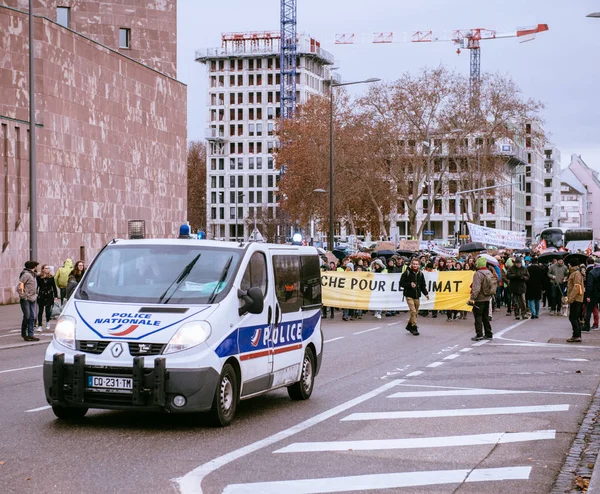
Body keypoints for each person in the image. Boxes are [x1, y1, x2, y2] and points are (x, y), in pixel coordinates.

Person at [400, 257, 429, 335]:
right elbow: (401, 283)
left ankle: (409, 325)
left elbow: (423, 285)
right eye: (414, 264)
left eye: (417, 264)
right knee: (413, 311)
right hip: (409, 295)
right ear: (411, 264)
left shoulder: (420, 274)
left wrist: (426, 293)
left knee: (415, 312)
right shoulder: (407, 273)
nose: (415, 265)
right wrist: (410, 284)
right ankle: (414, 327)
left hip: (417, 295)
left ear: (419, 265)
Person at [469, 257, 494, 341]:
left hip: (480, 299)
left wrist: (472, 298)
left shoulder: (478, 274)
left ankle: (479, 334)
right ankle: (488, 333)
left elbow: (476, 288)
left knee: (478, 316)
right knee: (485, 316)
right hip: (487, 297)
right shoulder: (489, 272)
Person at [18, 261, 40, 342]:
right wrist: (23, 296)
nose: (37, 268)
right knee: (27, 316)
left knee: (32, 317)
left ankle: (31, 334)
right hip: (26, 299)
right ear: (33, 267)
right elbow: (20, 286)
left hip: (33, 298)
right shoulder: (26, 275)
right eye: (36, 266)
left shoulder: (32, 274)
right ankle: (24, 334)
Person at [566, 260, 585, 343]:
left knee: (573, 317)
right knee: (575, 317)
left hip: (576, 298)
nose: (568, 266)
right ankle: (577, 335)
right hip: (577, 298)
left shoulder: (576, 274)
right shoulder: (575, 273)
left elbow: (576, 287)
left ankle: (576, 335)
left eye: (569, 264)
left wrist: (570, 298)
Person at [36, 264, 58, 331]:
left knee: (48, 311)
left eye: (48, 268)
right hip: (41, 295)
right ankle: (39, 325)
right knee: (40, 311)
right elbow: (37, 286)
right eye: (46, 268)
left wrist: (56, 296)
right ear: (43, 269)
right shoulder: (39, 277)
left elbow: (54, 287)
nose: (47, 269)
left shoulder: (51, 277)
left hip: (49, 295)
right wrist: (36, 293)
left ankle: (48, 322)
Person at [583, 257, 599, 331]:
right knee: (594, 309)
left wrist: (588, 295)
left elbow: (589, 285)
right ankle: (595, 324)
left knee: (589, 309)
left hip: (594, 294)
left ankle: (587, 326)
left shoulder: (591, 272)